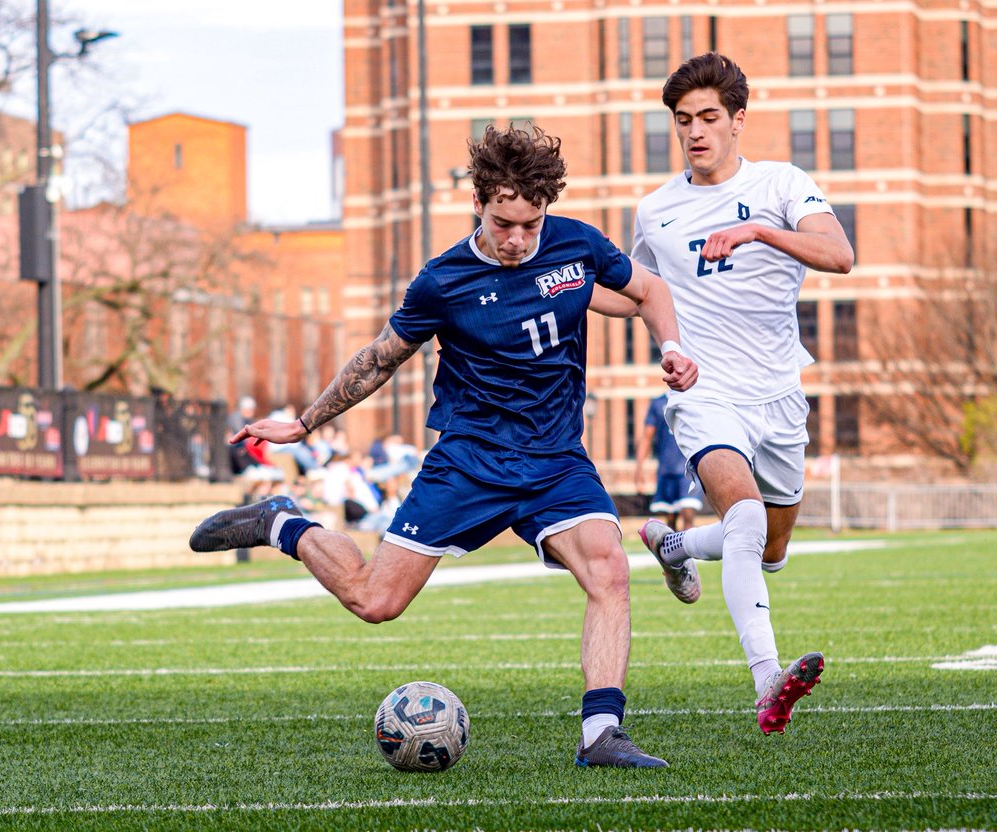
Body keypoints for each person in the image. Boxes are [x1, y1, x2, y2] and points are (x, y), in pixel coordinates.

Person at [190, 125, 697, 768]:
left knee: (609, 568)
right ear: (479, 204)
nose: (517, 238)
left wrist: (672, 347)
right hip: (470, 460)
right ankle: (281, 524)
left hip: (555, 458)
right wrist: (306, 423)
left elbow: (649, 292)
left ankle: (600, 734)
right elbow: (377, 361)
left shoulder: (577, 245)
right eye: (503, 221)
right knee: (376, 602)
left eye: (530, 224)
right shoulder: (443, 282)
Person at [630, 53, 854, 736]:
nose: (694, 131)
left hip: (779, 393)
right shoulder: (655, 210)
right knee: (748, 520)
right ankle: (767, 684)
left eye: (707, 118)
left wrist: (758, 230)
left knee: (772, 551)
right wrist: (663, 345)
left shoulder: (782, 183)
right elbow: (632, 290)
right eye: (682, 121)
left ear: (737, 121)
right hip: (706, 394)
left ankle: (675, 547)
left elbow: (840, 255)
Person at [633, 393, 703, 536]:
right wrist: (639, 469)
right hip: (666, 469)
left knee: (688, 516)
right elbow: (647, 437)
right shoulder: (658, 403)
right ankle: (676, 557)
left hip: (688, 469)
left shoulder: (695, 398)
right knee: (670, 522)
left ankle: (688, 557)